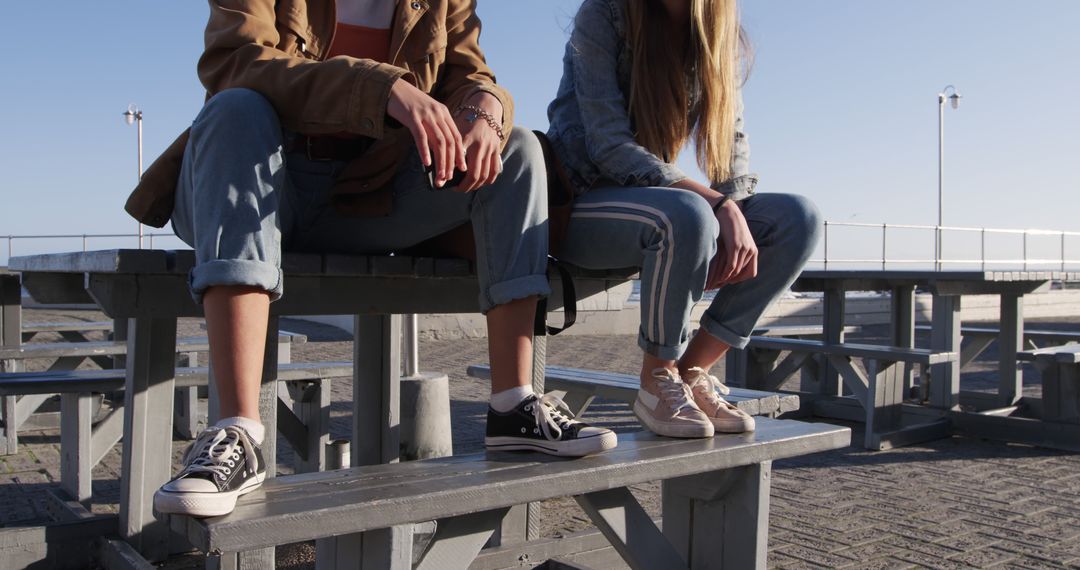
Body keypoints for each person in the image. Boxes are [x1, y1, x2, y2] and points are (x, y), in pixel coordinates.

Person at [126, 0, 616, 518]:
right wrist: (384, 88)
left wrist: (483, 111)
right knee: (235, 108)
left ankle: (513, 406)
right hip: (254, 180)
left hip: (367, 194)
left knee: (516, 149)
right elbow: (234, 64)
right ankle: (237, 432)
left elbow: (473, 75)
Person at [546, 0, 821, 439]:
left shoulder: (716, 31)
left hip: (657, 205)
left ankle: (692, 372)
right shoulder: (605, 13)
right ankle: (656, 380)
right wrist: (717, 207)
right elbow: (607, 145)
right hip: (580, 198)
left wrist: (731, 211)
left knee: (797, 219)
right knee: (691, 212)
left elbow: (731, 147)